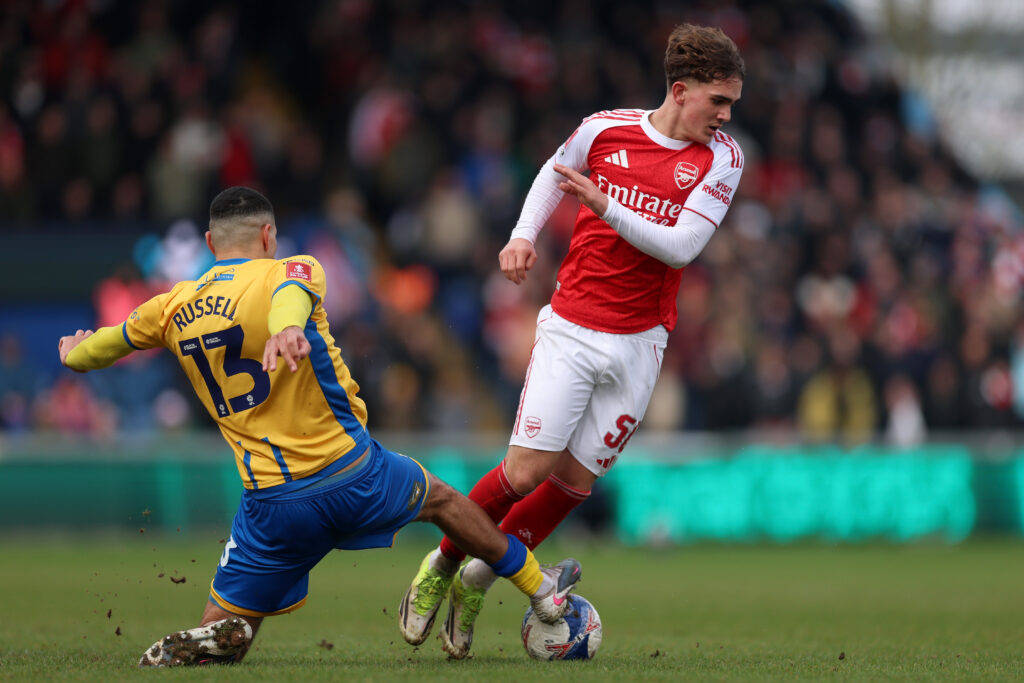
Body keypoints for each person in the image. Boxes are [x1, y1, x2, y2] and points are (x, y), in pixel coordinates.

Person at [57, 186, 581, 667]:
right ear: (268, 235)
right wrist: (285, 326)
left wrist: (74, 354)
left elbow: (106, 344)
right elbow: (290, 296)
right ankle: (540, 589)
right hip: (354, 475)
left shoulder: (171, 306)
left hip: (271, 507)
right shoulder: (295, 269)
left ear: (211, 241)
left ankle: (217, 634)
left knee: (230, 628)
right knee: (442, 501)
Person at [400, 23, 746, 659]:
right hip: (575, 328)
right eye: (717, 102)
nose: (725, 117)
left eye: (731, 105)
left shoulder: (723, 158)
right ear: (680, 90)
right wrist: (522, 235)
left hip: (642, 344)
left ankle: (479, 576)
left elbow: (683, 246)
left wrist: (605, 204)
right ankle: (442, 564)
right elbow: (552, 174)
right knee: (525, 471)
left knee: (573, 485)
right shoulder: (604, 129)